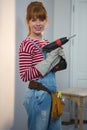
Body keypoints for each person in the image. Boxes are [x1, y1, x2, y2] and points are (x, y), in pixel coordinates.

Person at [19, 1, 66, 130]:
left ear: (46, 21)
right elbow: (24, 75)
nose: (38, 24)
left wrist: (59, 62)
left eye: (41, 19)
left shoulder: (47, 43)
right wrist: (45, 65)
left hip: (53, 94)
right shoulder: (26, 44)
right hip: (38, 97)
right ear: (28, 22)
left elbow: (51, 71)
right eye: (34, 20)